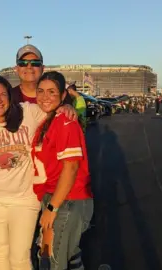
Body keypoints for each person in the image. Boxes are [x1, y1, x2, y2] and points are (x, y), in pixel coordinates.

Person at [0, 75, 77, 270]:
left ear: (10, 96)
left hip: (25, 199)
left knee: (20, 257)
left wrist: (67, 106)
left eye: (2, 94)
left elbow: (51, 107)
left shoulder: (28, 112)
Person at [32, 71, 93, 270]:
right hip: (54, 195)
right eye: (40, 91)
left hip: (68, 199)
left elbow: (72, 167)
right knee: (60, 254)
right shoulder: (49, 120)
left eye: (52, 91)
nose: (45, 96)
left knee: (55, 261)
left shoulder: (65, 122)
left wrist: (52, 208)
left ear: (62, 95)